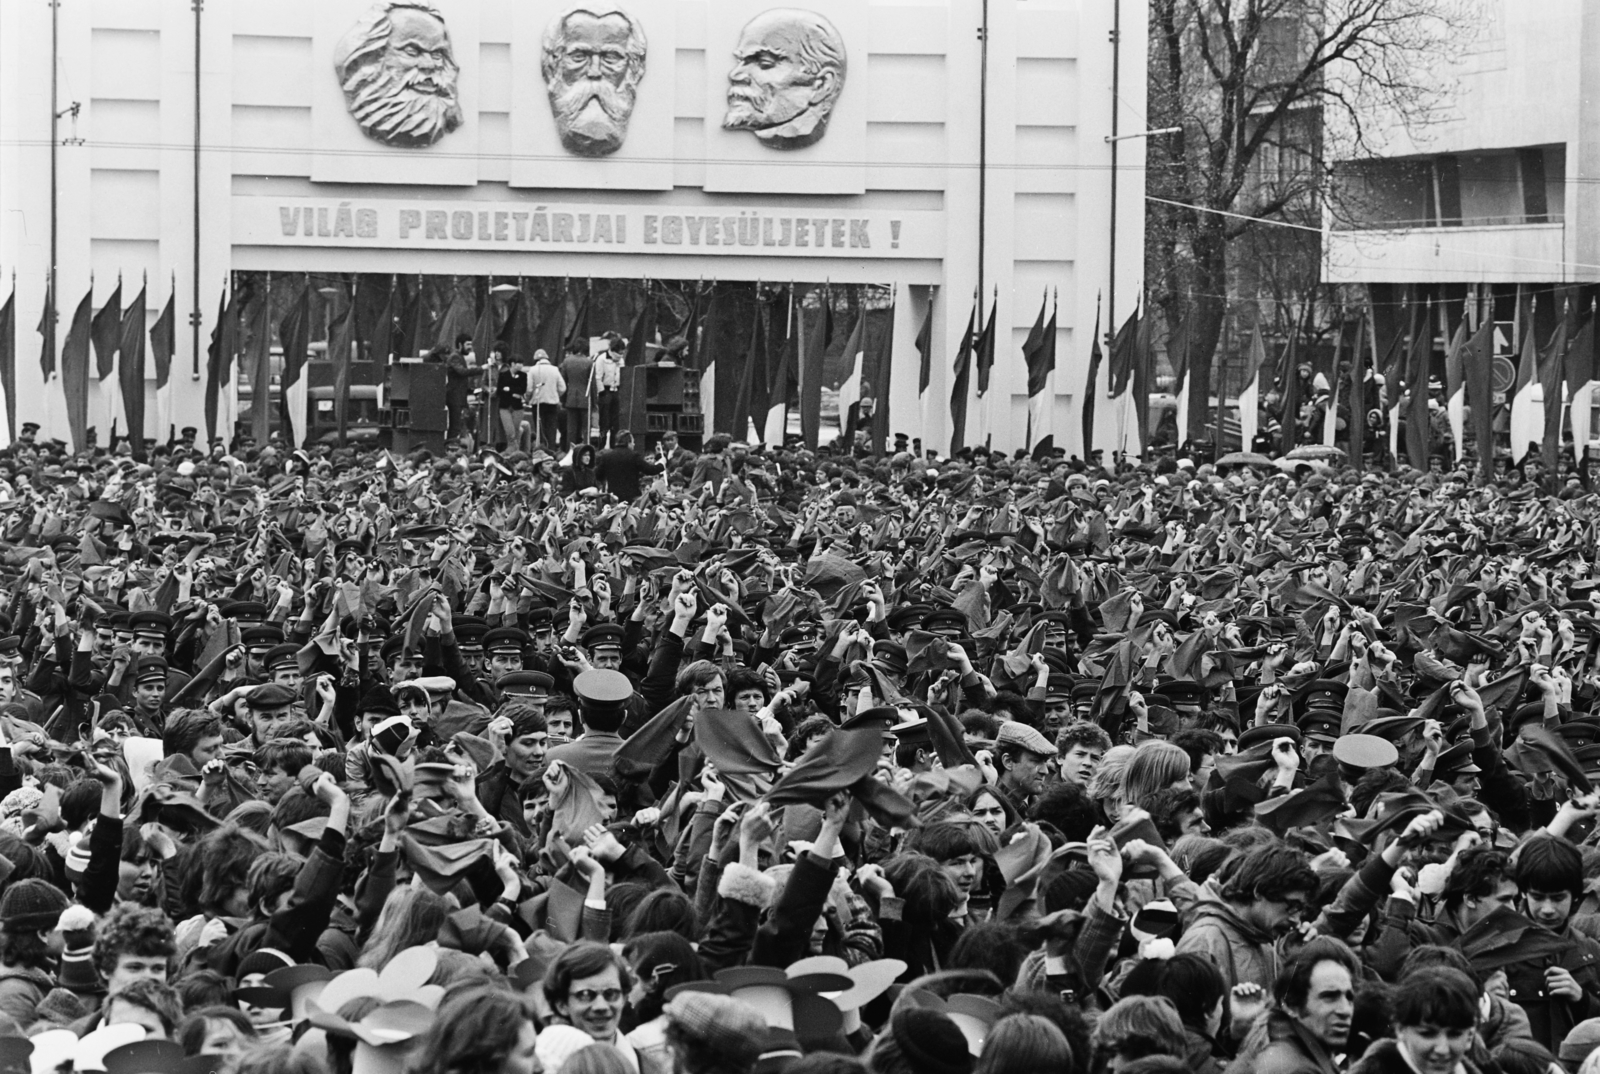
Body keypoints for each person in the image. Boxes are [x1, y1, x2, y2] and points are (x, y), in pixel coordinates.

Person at [595, 431, 663, 502]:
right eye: (633, 442)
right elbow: (650, 470)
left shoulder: (607, 456)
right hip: (632, 497)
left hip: (613, 497)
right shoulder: (634, 456)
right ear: (628, 442)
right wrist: (661, 464)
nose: (634, 444)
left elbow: (598, 475)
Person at [528, 348, 567, 451]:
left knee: (540, 429)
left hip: (537, 404)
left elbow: (529, 388)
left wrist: (528, 398)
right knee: (551, 429)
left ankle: (541, 450)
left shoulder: (532, 370)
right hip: (552, 404)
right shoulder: (555, 369)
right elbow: (562, 388)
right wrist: (555, 395)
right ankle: (552, 450)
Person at [494, 351, 528, 450]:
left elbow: (522, 389)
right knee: (510, 431)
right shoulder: (503, 375)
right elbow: (500, 390)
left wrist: (509, 389)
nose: (521, 365)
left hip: (518, 407)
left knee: (516, 430)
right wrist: (513, 392)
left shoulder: (523, 375)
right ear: (512, 364)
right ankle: (513, 449)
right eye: (519, 363)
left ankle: (513, 450)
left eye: (522, 363)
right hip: (505, 406)